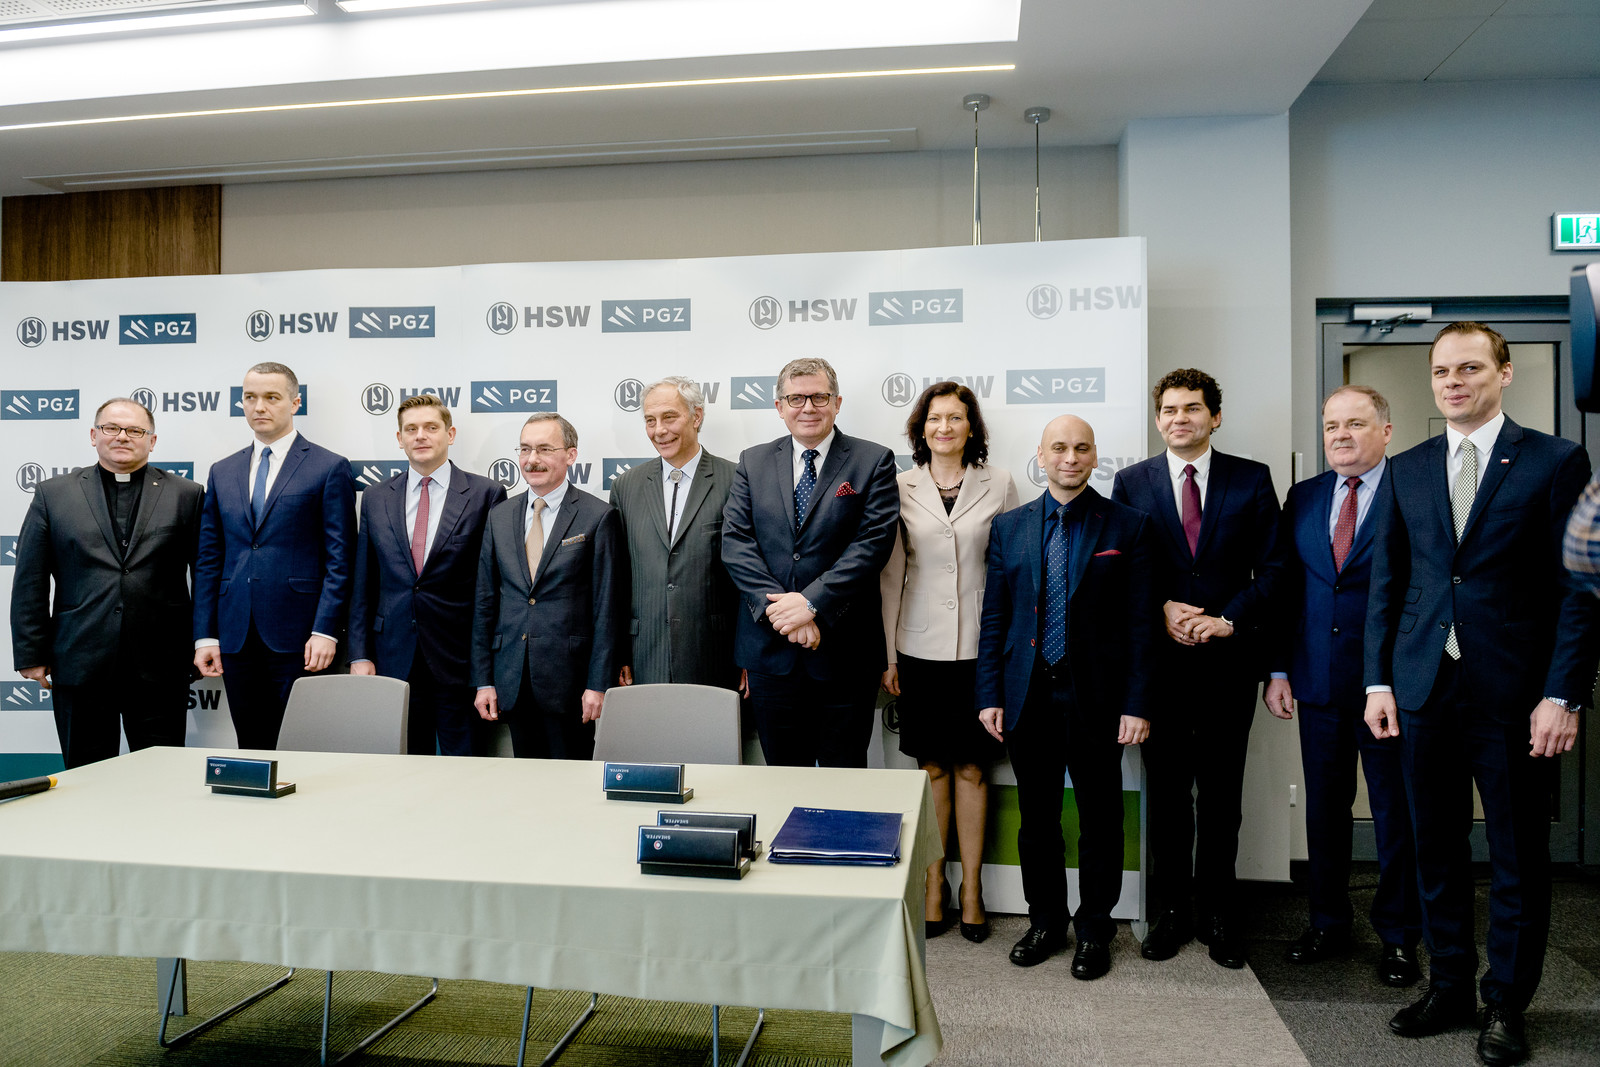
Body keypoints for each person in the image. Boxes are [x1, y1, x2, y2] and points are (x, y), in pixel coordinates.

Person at [1364, 322, 1600, 1066]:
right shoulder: (1406, 468)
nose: (1454, 382)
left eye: (1469, 368)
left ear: (1505, 372)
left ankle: (1505, 1002)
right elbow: (1388, 583)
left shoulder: (1556, 460)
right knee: (1433, 847)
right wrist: (1379, 679)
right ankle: (1450, 987)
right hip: (1423, 686)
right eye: (1442, 371)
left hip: (1516, 694)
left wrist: (1563, 694)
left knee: (1516, 854)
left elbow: (1580, 588)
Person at [1111, 367, 1280, 969]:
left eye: (1192, 408)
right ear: (1158, 419)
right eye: (1169, 410)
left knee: (1222, 796)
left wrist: (1229, 618)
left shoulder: (1250, 478)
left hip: (1227, 665)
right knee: (1167, 797)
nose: (1179, 418)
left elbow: (1277, 568)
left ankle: (1219, 913)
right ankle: (1172, 912)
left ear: (1215, 416)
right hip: (1160, 669)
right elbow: (1120, 567)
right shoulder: (1132, 482)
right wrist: (1161, 607)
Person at [976, 415, 1155, 977]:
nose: (1070, 458)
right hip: (1027, 695)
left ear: (1095, 455)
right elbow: (995, 618)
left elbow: (1141, 625)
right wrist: (990, 694)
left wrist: (1137, 703)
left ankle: (1095, 930)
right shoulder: (1009, 527)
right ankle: (1045, 922)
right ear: (1042, 455)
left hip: (1097, 698)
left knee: (1100, 819)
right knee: (1037, 820)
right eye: (1059, 448)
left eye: (1081, 448)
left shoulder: (1129, 525)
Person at [1263, 385, 1420, 986]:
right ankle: (1327, 923)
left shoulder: (1412, 490)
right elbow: (1287, 589)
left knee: (1393, 813)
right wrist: (1279, 669)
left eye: (1355, 424)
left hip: (1391, 688)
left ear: (1386, 431)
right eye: (1332, 426)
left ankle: (1399, 936)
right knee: (1325, 811)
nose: (1341, 435)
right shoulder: (1304, 496)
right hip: (1318, 682)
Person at [880, 381, 1018, 942]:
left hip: (982, 650)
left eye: (955, 418)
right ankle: (934, 885)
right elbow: (891, 574)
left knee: (973, 768)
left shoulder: (1000, 483)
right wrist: (888, 654)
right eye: (935, 418)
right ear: (921, 428)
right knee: (932, 767)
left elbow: (1013, 570)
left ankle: (973, 890)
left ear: (970, 426)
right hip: (919, 649)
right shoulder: (899, 485)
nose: (944, 427)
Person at [721, 356, 899, 768]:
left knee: (844, 778)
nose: (808, 407)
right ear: (779, 406)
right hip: (771, 652)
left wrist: (811, 603)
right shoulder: (752, 461)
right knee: (783, 776)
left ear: (837, 403)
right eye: (796, 398)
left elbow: (872, 544)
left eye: (819, 397)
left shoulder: (873, 460)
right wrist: (784, 612)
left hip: (845, 653)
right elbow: (736, 542)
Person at [10, 398, 204, 768]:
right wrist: (31, 653)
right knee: (85, 776)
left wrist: (202, 642)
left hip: (161, 663)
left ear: (152, 441)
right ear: (93, 435)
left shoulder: (187, 494)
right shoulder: (53, 494)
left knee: (162, 774)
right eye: (111, 428)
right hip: (79, 660)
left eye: (135, 430)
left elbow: (205, 575)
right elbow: (30, 579)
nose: (122, 437)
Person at [193, 363, 355, 750]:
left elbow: (340, 558)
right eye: (250, 397)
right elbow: (209, 559)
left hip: (301, 638)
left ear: (295, 403)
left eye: (271, 397)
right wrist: (205, 635)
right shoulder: (222, 471)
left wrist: (325, 630)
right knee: (251, 745)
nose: (259, 407)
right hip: (236, 635)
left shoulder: (329, 467)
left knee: (304, 747)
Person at [349, 394, 505, 755]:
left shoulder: (486, 494)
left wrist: (486, 669)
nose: (420, 435)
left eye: (431, 427)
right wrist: (359, 654)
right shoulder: (375, 497)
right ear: (399, 438)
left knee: (466, 767)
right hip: (392, 658)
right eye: (411, 429)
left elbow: (493, 587)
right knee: (403, 768)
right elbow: (363, 583)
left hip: (460, 660)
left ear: (450, 434)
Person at [472, 413, 626, 759]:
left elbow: (607, 608)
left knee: (571, 781)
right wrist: (484, 680)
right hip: (511, 677)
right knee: (526, 780)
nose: (532, 459)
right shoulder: (499, 516)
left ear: (570, 455)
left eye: (544, 449)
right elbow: (485, 602)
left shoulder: (598, 516)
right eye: (525, 449)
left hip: (570, 683)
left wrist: (598, 684)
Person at [609, 376, 741, 690]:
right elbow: (616, 579)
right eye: (650, 420)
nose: (659, 430)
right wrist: (617, 652)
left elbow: (749, 577)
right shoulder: (626, 486)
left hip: (715, 655)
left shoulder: (736, 480)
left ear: (697, 416)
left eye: (669, 417)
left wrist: (748, 654)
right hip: (643, 654)